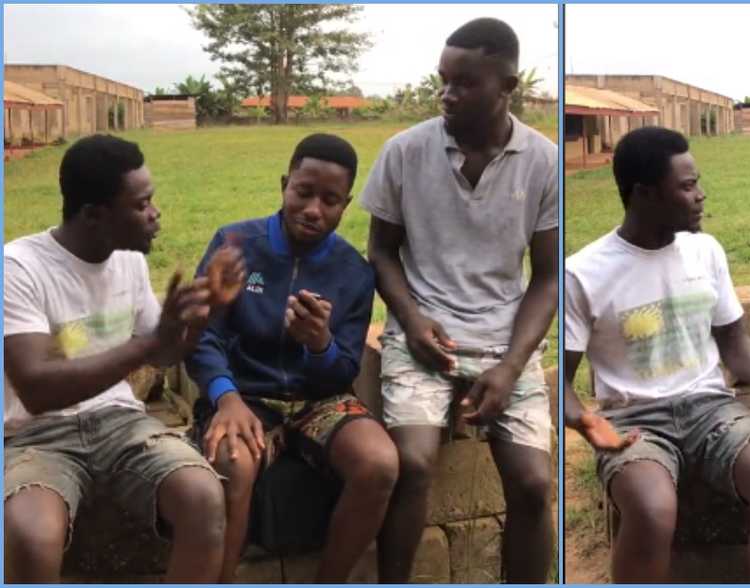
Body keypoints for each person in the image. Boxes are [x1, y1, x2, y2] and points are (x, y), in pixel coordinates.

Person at [362, 17, 558, 583]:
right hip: (422, 337)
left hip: (504, 342)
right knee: (412, 464)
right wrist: (412, 321)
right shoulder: (405, 152)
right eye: (443, 80)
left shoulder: (543, 161)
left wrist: (511, 366)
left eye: (465, 83)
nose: (447, 94)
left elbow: (547, 278)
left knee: (534, 484)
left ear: (508, 86)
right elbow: (381, 252)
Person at [564, 126, 750, 583]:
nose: (700, 196)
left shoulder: (705, 250)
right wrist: (589, 424)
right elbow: (560, 384)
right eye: (688, 186)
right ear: (644, 193)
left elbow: (734, 343)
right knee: (653, 510)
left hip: (711, 409)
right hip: (633, 418)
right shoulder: (583, 273)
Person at [4, 134, 226, 583]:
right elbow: (36, 388)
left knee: (202, 498)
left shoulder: (129, 261)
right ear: (93, 215)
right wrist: (150, 342)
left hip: (119, 421)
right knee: (33, 536)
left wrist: (202, 317)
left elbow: (163, 354)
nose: (155, 213)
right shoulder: (19, 268)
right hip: (35, 435)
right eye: (141, 204)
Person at [186, 133, 398, 583]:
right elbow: (203, 335)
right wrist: (226, 397)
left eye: (330, 200)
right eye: (303, 192)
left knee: (378, 463)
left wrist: (319, 344)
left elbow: (344, 370)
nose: (313, 209)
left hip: (317, 401)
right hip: (246, 395)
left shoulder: (353, 272)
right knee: (234, 465)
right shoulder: (235, 244)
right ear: (285, 184)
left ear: (346, 205)